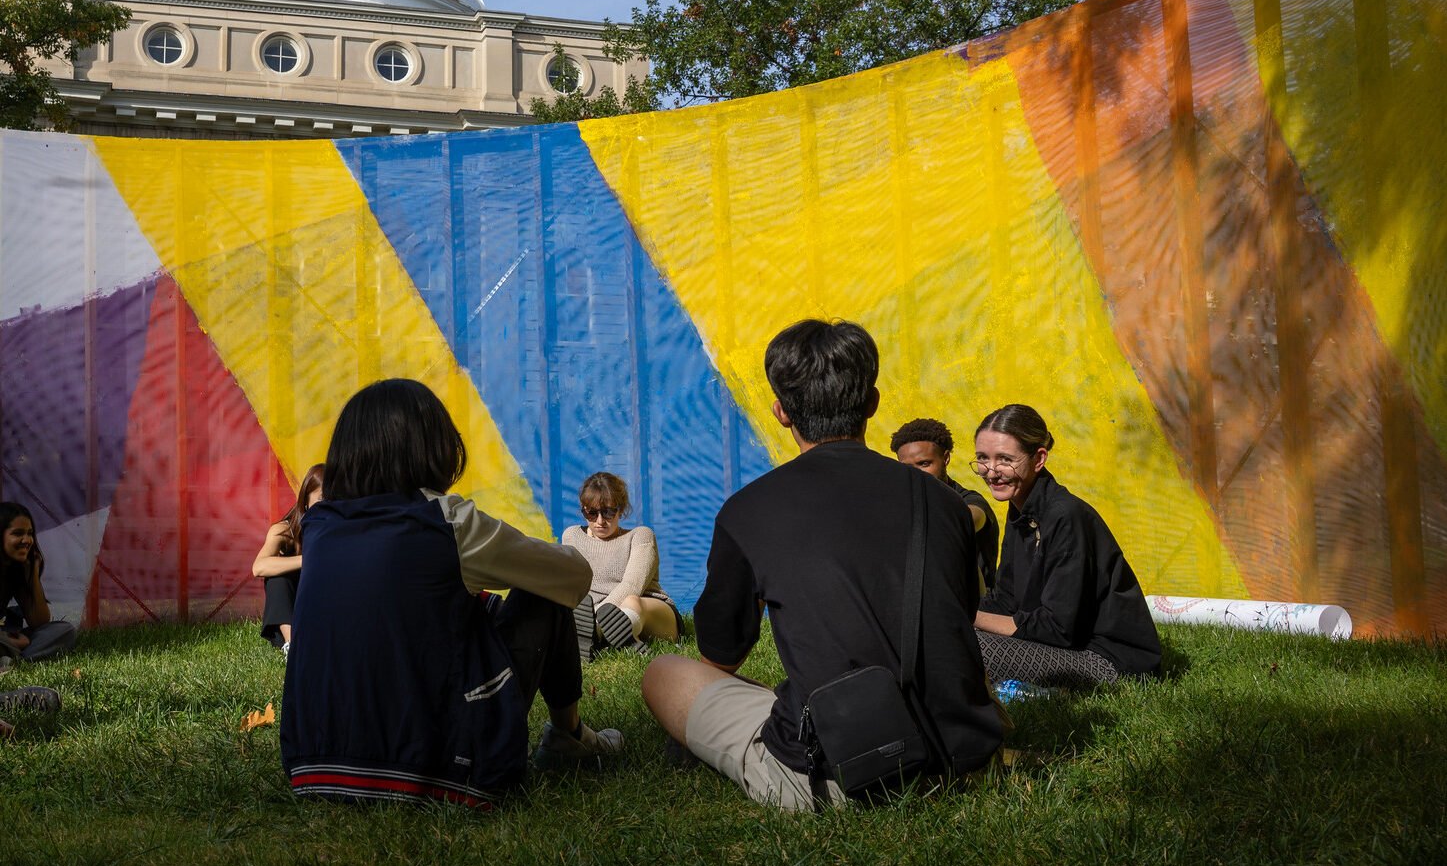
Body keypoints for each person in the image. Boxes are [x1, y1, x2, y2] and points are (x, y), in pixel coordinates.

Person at [641, 319, 1002, 810]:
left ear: (781, 412)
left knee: (664, 672)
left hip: (846, 774)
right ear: (872, 403)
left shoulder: (749, 510)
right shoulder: (943, 504)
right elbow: (959, 623)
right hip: (963, 755)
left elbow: (720, 659)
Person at [280, 378, 623, 806]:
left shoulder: (319, 527)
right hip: (448, 771)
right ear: (434, 448)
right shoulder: (445, 519)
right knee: (543, 590)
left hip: (314, 769)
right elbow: (572, 576)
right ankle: (568, 738)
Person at [972, 404, 1161, 687]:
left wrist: (967, 616)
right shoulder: (1020, 507)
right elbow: (1005, 600)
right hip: (1065, 648)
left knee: (965, 644)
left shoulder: (1066, 515)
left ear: (1038, 459)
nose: (991, 471)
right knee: (942, 629)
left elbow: (1057, 628)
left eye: (1005, 459)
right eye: (982, 458)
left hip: (1107, 661)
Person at [562, 472, 682, 661]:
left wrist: (592, 622)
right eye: (591, 513)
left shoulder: (641, 536)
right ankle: (616, 638)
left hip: (652, 612)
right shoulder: (572, 536)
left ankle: (597, 636)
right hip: (594, 615)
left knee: (632, 601)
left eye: (608, 512)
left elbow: (632, 586)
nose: (600, 521)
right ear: (583, 510)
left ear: (621, 510)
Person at [890, 417, 1000, 594]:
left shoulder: (970, 501)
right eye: (906, 467)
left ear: (946, 458)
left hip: (975, 611)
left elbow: (966, 521)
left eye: (924, 463)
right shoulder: (901, 504)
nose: (915, 474)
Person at [252, 464, 325, 652]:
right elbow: (259, 567)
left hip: (327, 607)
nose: (328, 506)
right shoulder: (285, 530)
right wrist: (308, 559)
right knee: (277, 577)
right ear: (306, 501)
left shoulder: (343, 528)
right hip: (295, 609)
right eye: (322, 499)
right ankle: (292, 645)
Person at [0, 501, 77, 664]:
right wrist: (13, 641)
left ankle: (10, 658)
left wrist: (32, 574)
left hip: (3, 635)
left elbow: (39, 621)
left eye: (30, 533)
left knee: (64, 630)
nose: (27, 540)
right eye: (18, 533)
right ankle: (15, 655)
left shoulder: (16, 569)